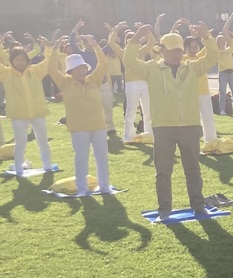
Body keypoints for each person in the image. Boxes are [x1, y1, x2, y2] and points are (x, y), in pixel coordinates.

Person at [126, 23, 218, 220]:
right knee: (163, 171)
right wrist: (134, 40)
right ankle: (164, 208)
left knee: (193, 170)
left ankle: (198, 205)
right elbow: (129, 61)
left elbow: (213, 57)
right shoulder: (152, 68)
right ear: (163, 51)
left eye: (179, 49)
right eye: (173, 50)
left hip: (190, 126)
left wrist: (207, 37)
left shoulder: (192, 67)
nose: (177, 53)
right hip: (163, 127)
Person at [48, 35, 112, 195]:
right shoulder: (65, 82)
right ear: (70, 71)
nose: (82, 71)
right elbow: (50, 69)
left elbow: (103, 63)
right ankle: (82, 189)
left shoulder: (93, 79)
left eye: (83, 67)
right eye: (78, 69)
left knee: (102, 157)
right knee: (81, 159)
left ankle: (104, 186)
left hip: (98, 125)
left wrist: (96, 46)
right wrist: (55, 48)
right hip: (79, 128)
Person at [0, 38, 56, 173]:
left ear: (27, 60)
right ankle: (19, 168)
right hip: (19, 114)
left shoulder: (35, 71)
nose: (20, 62)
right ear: (11, 61)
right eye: (17, 60)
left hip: (37, 112)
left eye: (23, 59)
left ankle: (47, 165)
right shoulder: (7, 73)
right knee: (20, 143)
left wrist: (48, 48)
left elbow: (48, 63)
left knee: (43, 141)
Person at [108, 21, 154, 141]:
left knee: (148, 111)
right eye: (129, 39)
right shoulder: (123, 53)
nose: (133, 40)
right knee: (131, 111)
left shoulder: (142, 51)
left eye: (135, 37)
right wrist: (116, 29)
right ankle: (129, 136)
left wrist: (146, 31)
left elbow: (152, 42)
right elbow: (111, 43)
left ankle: (149, 134)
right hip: (131, 84)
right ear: (126, 42)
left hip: (145, 83)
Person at [181, 26, 218, 142]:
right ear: (186, 48)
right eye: (192, 47)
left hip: (204, 92)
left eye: (196, 46)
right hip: (190, 94)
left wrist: (205, 34)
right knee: (192, 120)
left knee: (208, 118)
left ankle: (211, 141)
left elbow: (211, 48)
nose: (195, 49)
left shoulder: (200, 56)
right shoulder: (182, 60)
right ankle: (192, 142)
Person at [216, 33, 233, 115]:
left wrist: (231, 33)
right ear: (218, 42)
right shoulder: (217, 51)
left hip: (231, 72)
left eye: (224, 40)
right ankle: (222, 110)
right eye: (221, 41)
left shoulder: (229, 49)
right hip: (223, 72)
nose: (223, 42)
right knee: (223, 91)